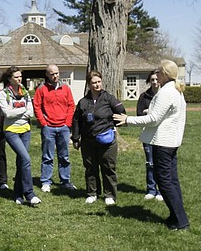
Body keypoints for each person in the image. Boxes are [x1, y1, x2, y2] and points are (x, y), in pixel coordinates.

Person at [115, 59, 189, 231]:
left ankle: (181, 220)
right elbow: (166, 115)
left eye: (158, 71)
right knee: (172, 180)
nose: (156, 74)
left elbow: (153, 119)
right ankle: (176, 215)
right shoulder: (176, 91)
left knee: (164, 181)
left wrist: (128, 120)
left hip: (163, 142)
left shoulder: (166, 92)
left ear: (164, 73)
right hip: (172, 142)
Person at [71, 71, 126, 206]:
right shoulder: (83, 102)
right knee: (90, 168)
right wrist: (76, 138)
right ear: (89, 85)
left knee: (108, 167)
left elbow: (122, 112)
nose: (97, 85)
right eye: (94, 82)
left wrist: (112, 126)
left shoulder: (109, 98)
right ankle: (92, 193)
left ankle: (110, 195)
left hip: (107, 141)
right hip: (88, 141)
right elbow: (76, 120)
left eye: (99, 82)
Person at [0, 66, 41, 206]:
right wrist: (23, 109)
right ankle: (29, 193)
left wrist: (18, 110)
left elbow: (31, 112)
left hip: (26, 130)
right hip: (11, 130)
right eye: (16, 77)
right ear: (10, 78)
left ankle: (18, 194)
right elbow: (7, 114)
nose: (19, 79)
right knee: (26, 159)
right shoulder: (4, 94)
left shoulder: (25, 92)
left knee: (21, 162)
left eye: (20, 76)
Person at [33, 64, 76, 193]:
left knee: (64, 156)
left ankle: (65, 181)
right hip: (49, 128)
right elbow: (37, 106)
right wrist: (43, 123)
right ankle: (46, 181)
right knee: (47, 156)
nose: (55, 76)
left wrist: (67, 123)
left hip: (63, 127)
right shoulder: (42, 89)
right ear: (47, 75)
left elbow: (71, 105)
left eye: (57, 73)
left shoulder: (65, 88)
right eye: (52, 74)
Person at [136, 70, 163, 201]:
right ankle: (151, 189)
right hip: (147, 133)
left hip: (163, 134)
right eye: (152, 80)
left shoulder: (165, 95)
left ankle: (161, 191)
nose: (155, 82)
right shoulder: (144, 96)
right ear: (149, 81)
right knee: (150, 163)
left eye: (157, 79)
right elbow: (139, 114)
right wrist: (149, 113)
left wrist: (150, 112)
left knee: (161, 163)